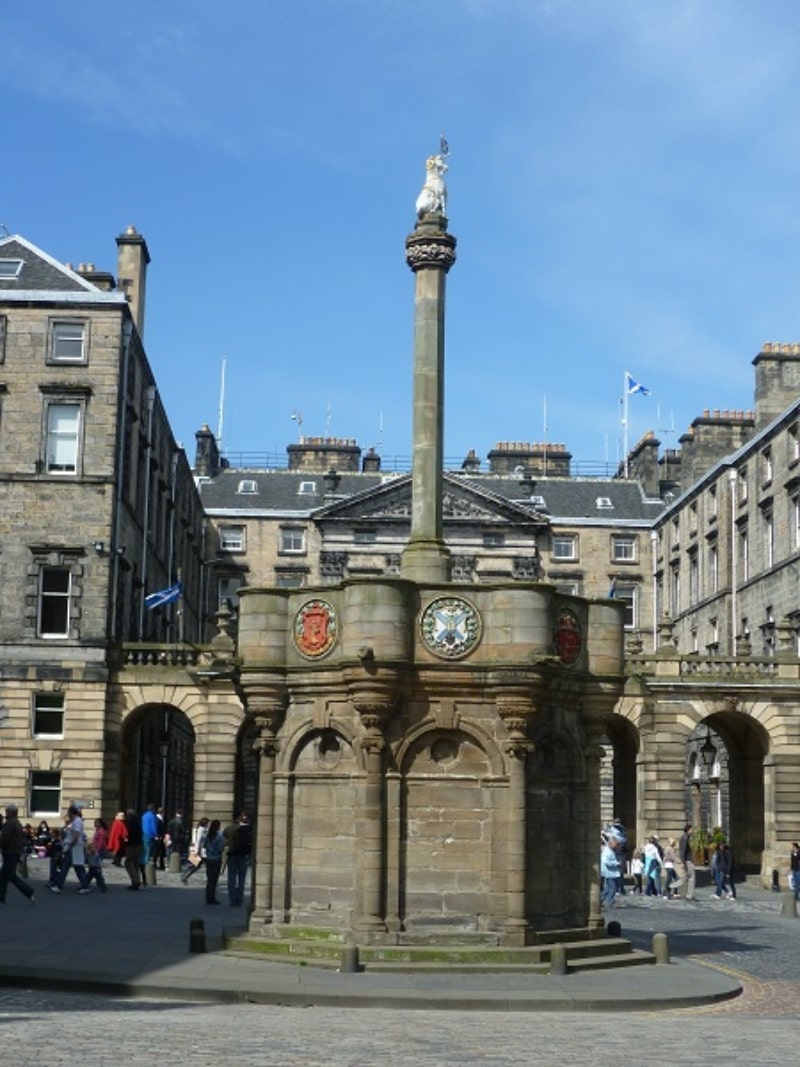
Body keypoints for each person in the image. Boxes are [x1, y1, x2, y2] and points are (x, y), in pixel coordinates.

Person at [50, 804, 91, 894]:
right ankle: (84, 885)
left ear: (71, 813)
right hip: (75, 847)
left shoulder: (77, 822)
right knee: (76, 867)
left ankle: (59, 886)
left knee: (67, 867)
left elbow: (76, 836)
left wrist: (70, 846)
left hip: (74, 847)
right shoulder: (78, 821)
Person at [0, 804, 35, 906]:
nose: (6, 813)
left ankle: (28, 891)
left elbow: (4, 837)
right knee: (4, 876)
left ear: (11, 812)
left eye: (7, 812)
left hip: (10, 852)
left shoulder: (10, 823)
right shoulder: (16, 823)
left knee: (10, 876)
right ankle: (1, 898)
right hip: (13, 852)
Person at [223, 812, 252, 907]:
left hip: (232, 855)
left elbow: (224, 841)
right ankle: (239, 899)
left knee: (231, 878)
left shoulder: (228, 829)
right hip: (242, 856)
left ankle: (232, 899)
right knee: (241, 879)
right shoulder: (244, 829)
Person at [181, 818, 209, 884]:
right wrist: (197, 851)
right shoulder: (200, 830)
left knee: (196, 866)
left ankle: (184, 877)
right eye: (207, 823)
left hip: (202, 851)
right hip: (201, 852)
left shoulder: (203, 830)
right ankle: (184, 877)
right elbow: (198, 841)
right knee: (198, 866)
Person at [203, 820, 225, 905]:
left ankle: (208, 897)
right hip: (216, 859)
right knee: (214, 880)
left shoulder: (208, 835)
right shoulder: (219, 836)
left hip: (209, 858)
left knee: (209, 879)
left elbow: (204, 845)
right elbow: (220, 848)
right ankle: (212, 898)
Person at [85, 819, 108, 893]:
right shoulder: (98, 830)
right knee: (93, 871)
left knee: (95, 869)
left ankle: (101, 884)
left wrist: (96, 850)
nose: (95, 824)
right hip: (96, 849)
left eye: (97, 823)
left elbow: (100, 842)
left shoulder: (101, 831)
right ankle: (88, 884)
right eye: (95, 823)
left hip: (99, 850)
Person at [124, 808, 144, 890]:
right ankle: (135, 882)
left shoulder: (130, 823)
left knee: (128, 863)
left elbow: (131, 835)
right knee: (136, 863)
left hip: (133, 845)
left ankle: (136, 881)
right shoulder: (138, 821)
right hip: (139, 844)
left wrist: (127, 841)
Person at [600, 835, 621, 909]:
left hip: (611, 873)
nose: (617, 846)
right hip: (609, 873)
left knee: (608, 889)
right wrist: (616, 863)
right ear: (611, 844)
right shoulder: (607, 851)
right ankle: (610, 901)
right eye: (616, 844)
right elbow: (605, 861)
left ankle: (600, 899)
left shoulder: (610, 850)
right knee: (613, 888)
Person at [679, 823, 696, 901]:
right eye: (691, 829)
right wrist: (683, 862)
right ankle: (689, 895)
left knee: (687, 878)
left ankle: (687, 894)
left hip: (687, 860)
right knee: (691, 878)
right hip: (687, 860)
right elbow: (682, 851)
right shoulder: (685, 838)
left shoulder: (686, 837)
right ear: (688, 830)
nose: (692, 831)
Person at [141, 803, 158, 868]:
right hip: (150, 834)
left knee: (145, 847)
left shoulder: (144, 815)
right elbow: (153, 826)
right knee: (149, 848)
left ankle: (143, 860)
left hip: (144, 833)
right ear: (153, 809)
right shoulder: (152, 816)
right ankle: (146, 861)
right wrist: (156, 834)